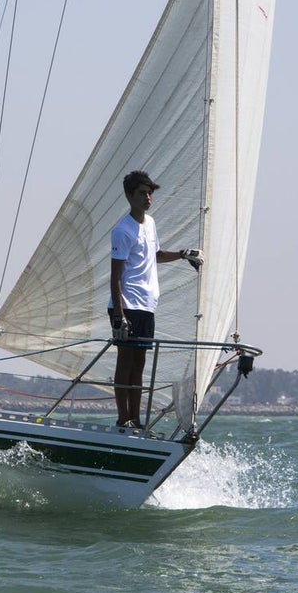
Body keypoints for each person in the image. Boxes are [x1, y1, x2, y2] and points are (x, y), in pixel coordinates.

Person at [107, 170, 203, 429]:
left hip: (147, 306)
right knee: (125, 361)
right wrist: (119, 316)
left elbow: (156, 255)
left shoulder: (150, 223)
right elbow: (115, 276)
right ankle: (122, 417)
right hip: (127, 305)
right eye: (142, 193)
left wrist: (183, 255)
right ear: (129, 196)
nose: (148, 197)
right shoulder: (122, 231)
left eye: (150, 193)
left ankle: (136, 420)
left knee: (139, 364)